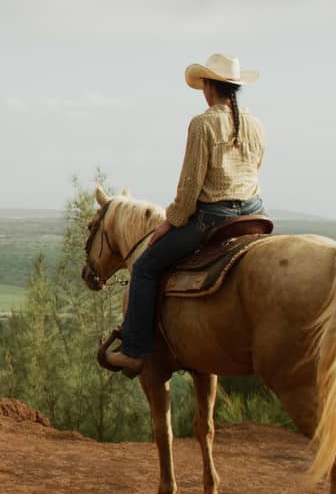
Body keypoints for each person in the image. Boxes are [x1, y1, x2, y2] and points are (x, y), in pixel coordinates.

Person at [102, 53, 268, 374]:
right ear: (235, 87)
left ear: (207, 86)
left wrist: (171, 222)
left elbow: (190, 187)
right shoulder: (257, 124)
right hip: (254, 214)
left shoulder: (202, 124)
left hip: (213, 219)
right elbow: (255, 169)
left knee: (146, 267)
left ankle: (135, 350)